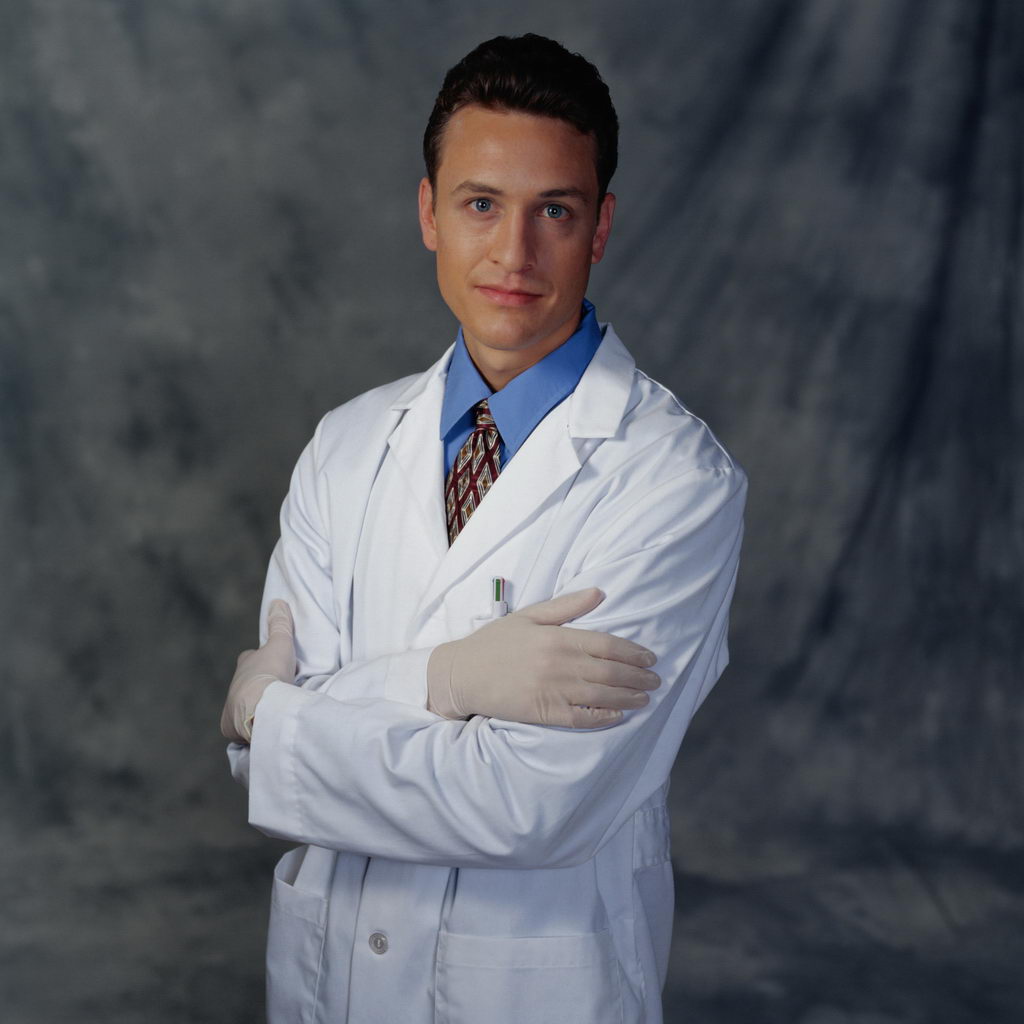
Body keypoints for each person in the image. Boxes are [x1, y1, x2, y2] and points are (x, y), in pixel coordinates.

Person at [221, 33, 746, 1024]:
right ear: (428, 212)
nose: (514, 253)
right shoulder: (346, 446)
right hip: (332, 984)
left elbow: (529, 805)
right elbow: (260, 768)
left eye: (555, 210)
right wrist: (447, 682)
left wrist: (281, 713)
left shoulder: (674, 484)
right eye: (480, 205)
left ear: (600, 227)